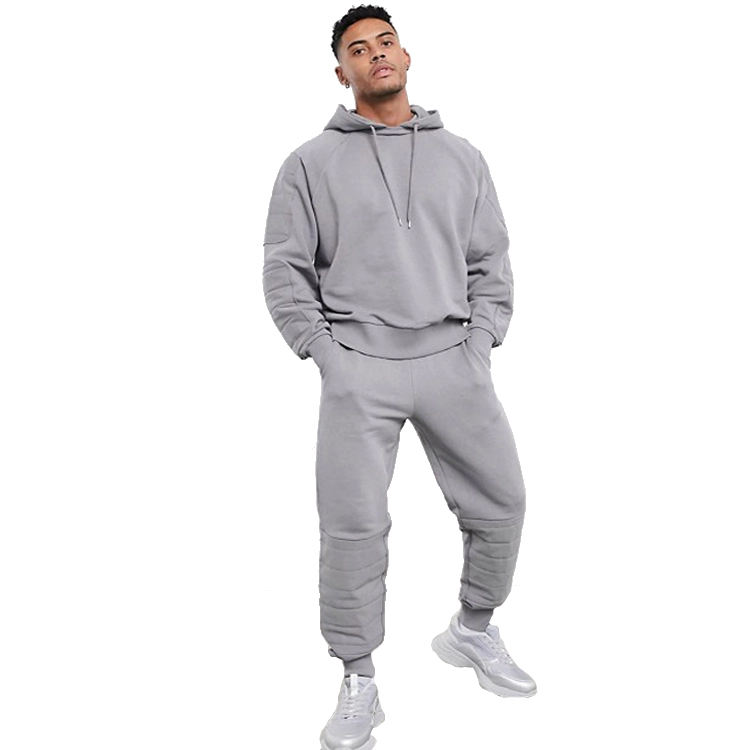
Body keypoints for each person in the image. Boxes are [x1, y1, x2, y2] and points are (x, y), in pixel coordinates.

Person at [262, 6, 537, 748]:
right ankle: (359, 677)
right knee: (353, 527)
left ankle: (472, 628)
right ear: (341, 72)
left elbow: (491, 259)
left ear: (406, 56)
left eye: (386, 42)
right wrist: (324, 352)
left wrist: (481, 340)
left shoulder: (463, 156)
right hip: (358, 366)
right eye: (359, 49)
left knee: (503, 503)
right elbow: (284, 267)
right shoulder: (309, 164)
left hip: (453, 357)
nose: (376, 54)